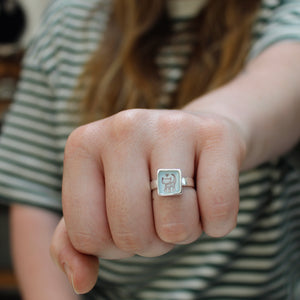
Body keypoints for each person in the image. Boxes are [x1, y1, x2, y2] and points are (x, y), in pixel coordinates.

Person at [0, 0, 300, 299]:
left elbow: (283, 81)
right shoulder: (68, 19)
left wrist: (216, 127)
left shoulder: (282, 9)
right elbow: (34, 193)